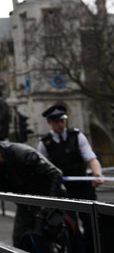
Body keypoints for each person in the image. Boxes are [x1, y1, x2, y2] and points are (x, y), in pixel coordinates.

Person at [0, 137, 64, 250]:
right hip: (26, 202)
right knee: (19, 240)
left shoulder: (23, 154)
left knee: (44, 239)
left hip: (47, 199)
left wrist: (48, 205)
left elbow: (55, 174)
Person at [37, 105, 104, 252]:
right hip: (63, 192)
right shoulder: (44, 143)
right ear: (49, 122)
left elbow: (91, 158)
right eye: (56, 121)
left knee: (92, 224)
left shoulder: (77, 136)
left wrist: (97, 174)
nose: (60, 124)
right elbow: (42, 169)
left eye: (62, 120)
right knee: (70, 227)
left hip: (83, 187)